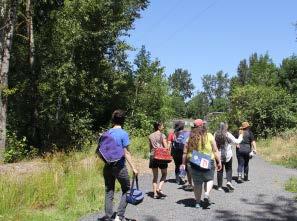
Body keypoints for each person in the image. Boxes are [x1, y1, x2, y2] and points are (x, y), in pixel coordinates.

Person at [100, 110, 138, 221]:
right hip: (119, 166)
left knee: (109, 190)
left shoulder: (107, 133)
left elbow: (101, 151)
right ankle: (119, 216)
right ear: (123, 120)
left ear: (113, 120)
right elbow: (126, 153)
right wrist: (134, 168)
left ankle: (108, 216)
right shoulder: (123, 134)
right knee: (127, 190)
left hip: (107, 166)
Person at [181, 119, 222, 208]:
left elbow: (184, 152)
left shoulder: (189, 137)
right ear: (202, 126)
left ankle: (198, 202)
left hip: (194, 161)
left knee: (197, 183)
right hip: (207, 160)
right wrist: (219, 161)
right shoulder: (209, 136)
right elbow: (215, 150)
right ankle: (206, 194)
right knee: (209, 179)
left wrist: (183, 163)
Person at [214, 122, 243, 191]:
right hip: (228, 155)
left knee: (219, 170)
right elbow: (237, 142)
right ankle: (229, 182)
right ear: (225, 127)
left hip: (219, 154)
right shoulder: (228, 134)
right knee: (229, 169)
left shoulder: (216, 134)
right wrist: (241, 135)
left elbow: (213, 144)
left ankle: (219, 186)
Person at [168, 121, 193, 190]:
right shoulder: (187, 133)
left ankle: (177, 179)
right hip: (183, 151)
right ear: (182, 126)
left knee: (177, 165)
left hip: (175, 151)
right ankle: (185, 178)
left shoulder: (173, 133)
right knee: (184, 164)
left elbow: (170, 143)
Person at [148, 121, 169, 199]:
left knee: (155, 176)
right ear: (159, 127)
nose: (163, 127)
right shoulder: (162, 135)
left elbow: (150, 148)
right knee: (164, 174)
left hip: (153, 156)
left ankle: (154, 194)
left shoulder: (150, 136)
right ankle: (159, 188)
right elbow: (166, 147)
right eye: (162, 126)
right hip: (161, 157)